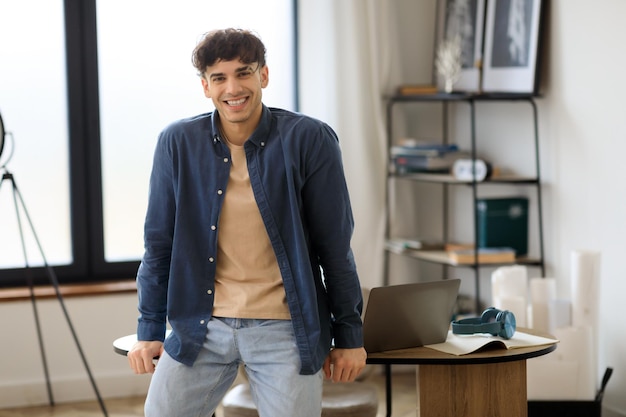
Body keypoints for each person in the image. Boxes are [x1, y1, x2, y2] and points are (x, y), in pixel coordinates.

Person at [127, 28, 367, 417]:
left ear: (264, 76)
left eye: (244, 73)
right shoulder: (177, 143)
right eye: (219, 78)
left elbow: (335, 247)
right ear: (205, 86)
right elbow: (159, 246)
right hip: (201, 326)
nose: (233, 88)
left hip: (285, 328)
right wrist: (149, 331)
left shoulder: (310, 139)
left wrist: (350, 335)